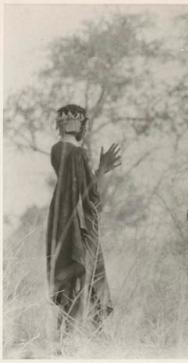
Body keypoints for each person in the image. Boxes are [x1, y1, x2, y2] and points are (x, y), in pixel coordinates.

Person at [46, 104, 121, 333]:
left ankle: (66, 334)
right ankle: (85, 333)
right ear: (82, 125)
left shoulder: (56, 150)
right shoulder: (77, 153)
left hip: (59, 218)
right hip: (78, 222)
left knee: (69, 275)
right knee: (85, 272)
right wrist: (102, 170)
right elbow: (90, 194)